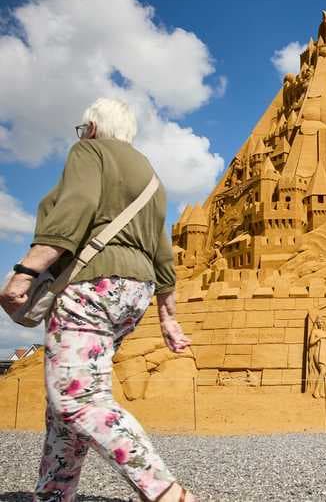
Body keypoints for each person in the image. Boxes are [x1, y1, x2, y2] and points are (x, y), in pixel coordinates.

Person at [0, 98, 195, 502]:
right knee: (64, 408)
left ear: (91, 128)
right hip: (133, 294)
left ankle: (167, 491)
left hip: (92, 285)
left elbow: (76, 207)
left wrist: (28, 270)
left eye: (81, 130)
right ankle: (53, 495)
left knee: (77, 397)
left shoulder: (89, 151)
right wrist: (167, 312)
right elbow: (161, 247)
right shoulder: (151, 176)